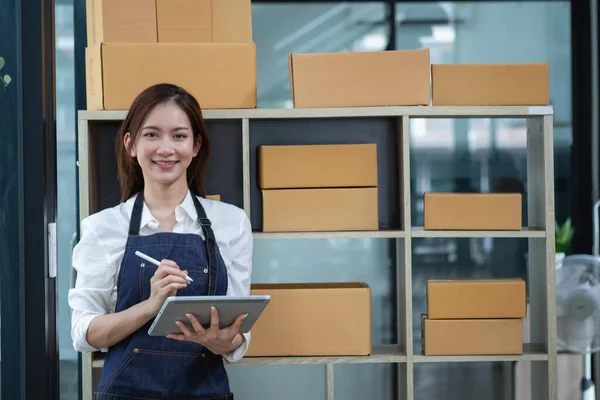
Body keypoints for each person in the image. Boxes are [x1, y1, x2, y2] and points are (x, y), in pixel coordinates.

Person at [68, 83, 253, 399]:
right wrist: (151, 306)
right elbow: (84, 334)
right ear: (131, 144)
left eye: (179, 136)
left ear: (195, 146)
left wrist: (218, 340)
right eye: (152, 134)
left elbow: (236, 338)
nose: (166, 148)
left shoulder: (231, 222)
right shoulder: (102, 228)